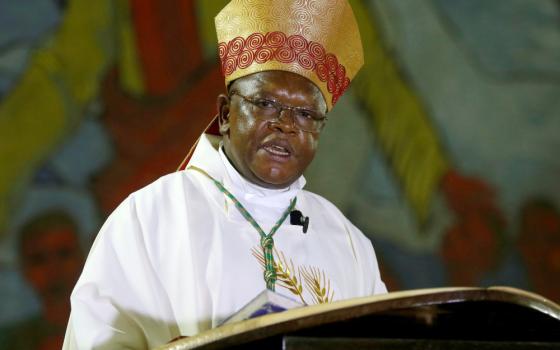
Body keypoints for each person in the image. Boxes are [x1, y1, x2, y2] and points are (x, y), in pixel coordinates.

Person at [63, 1, 386, 348]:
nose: (286, 126)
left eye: (306, 115)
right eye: (265, 104)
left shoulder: (348, 243)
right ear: (226, 113)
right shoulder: (149, 218)